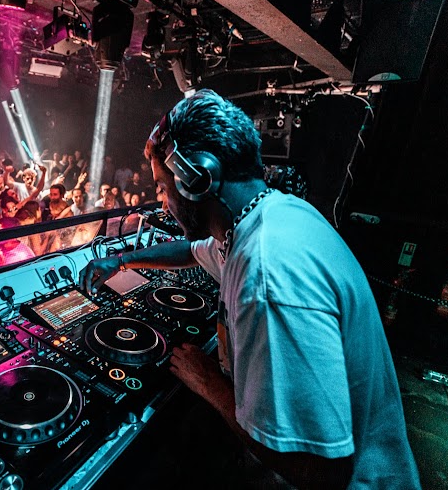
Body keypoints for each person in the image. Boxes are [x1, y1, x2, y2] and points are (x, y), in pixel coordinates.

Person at [78, 89, 420, 489]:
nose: (163, 203)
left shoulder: (267, 276)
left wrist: (209, 382)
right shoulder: (270, 216)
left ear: (196, 179)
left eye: (163, 186)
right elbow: (192, 251)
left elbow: (321, 471)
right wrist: (120, 261)